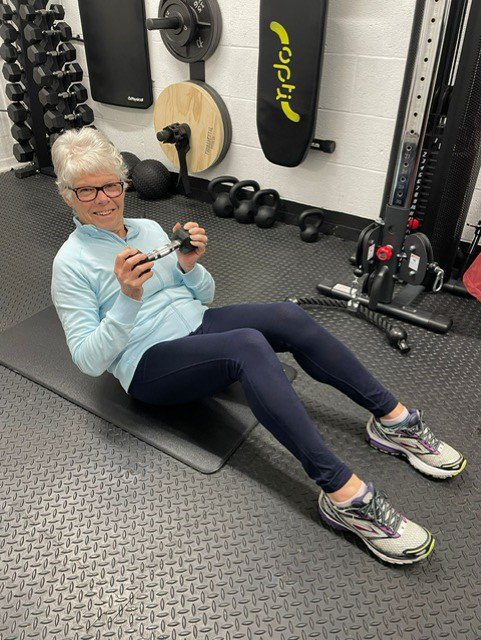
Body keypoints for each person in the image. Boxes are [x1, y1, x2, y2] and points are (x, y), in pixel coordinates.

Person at [50, 127, 466, 565]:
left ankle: (394, 420)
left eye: (110, 184)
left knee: (288, 315)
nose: (103, 199)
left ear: (123, 182)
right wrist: (127, 300)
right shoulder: (70, 264)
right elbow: (88, 360)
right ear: (66, 195)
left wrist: (189, 267)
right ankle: (346, 498)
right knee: (247, 346)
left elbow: (202, 296)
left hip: (197, 325)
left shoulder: (148, 228)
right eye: (87, 190)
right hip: (147, 362)